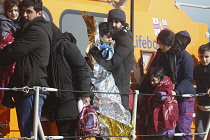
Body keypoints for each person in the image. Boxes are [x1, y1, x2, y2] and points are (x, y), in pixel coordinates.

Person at [0, 0, 60, 138]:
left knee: (30, 132)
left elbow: (13, 52)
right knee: (28, 132)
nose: (24, 15)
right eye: (23, 11)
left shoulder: (35, 31)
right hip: (26, 87)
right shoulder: (31, 28)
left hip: (31, 88)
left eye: (29, 12)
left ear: (39, 13)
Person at [140, 29, 195, 140]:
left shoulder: (185, 56)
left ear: (170, 43)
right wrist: (142, 92)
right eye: (159, 43)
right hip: (167, 97)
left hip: (183, 97)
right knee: (166, 130)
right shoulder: (160, 55)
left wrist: (176, 91)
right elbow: (151, 72)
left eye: (163, 44)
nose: (161, 46)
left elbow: (188, 78)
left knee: (181, 130)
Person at [45, 32, 91, 140]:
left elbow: (82, 69)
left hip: (69, 103)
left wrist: (84, 94)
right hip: (63, 104)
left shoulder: (65, 46)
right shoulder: (55, 48)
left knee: (68, 133)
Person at [90, 8, 134, 110]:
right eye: (111, 21)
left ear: (122, 23)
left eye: (117, 21)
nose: (113, 24)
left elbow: (111, 63)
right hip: (112, 89)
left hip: (119, 90)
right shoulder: (115, 38)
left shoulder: (124, 40)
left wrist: (94, 52)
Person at [145, 67, 179, 140]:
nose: (152, 83)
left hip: (165, 126)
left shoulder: (167, 85)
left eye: (154, 80)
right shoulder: (157, 87)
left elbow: (166, 94)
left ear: (160, 79)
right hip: (161, 125)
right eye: (151, 81)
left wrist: (160, 94)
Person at [0, 0, 20, 104]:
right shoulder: (4, 23)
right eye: (11, 11)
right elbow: (5, 38)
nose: (14, 13)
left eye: (16, 10)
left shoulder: (17, 22)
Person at [194, 42, 210, 140]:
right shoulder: (197, 69)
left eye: (206, 56)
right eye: (201, 57)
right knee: (199, 135)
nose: (204, 59)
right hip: (200, 106)